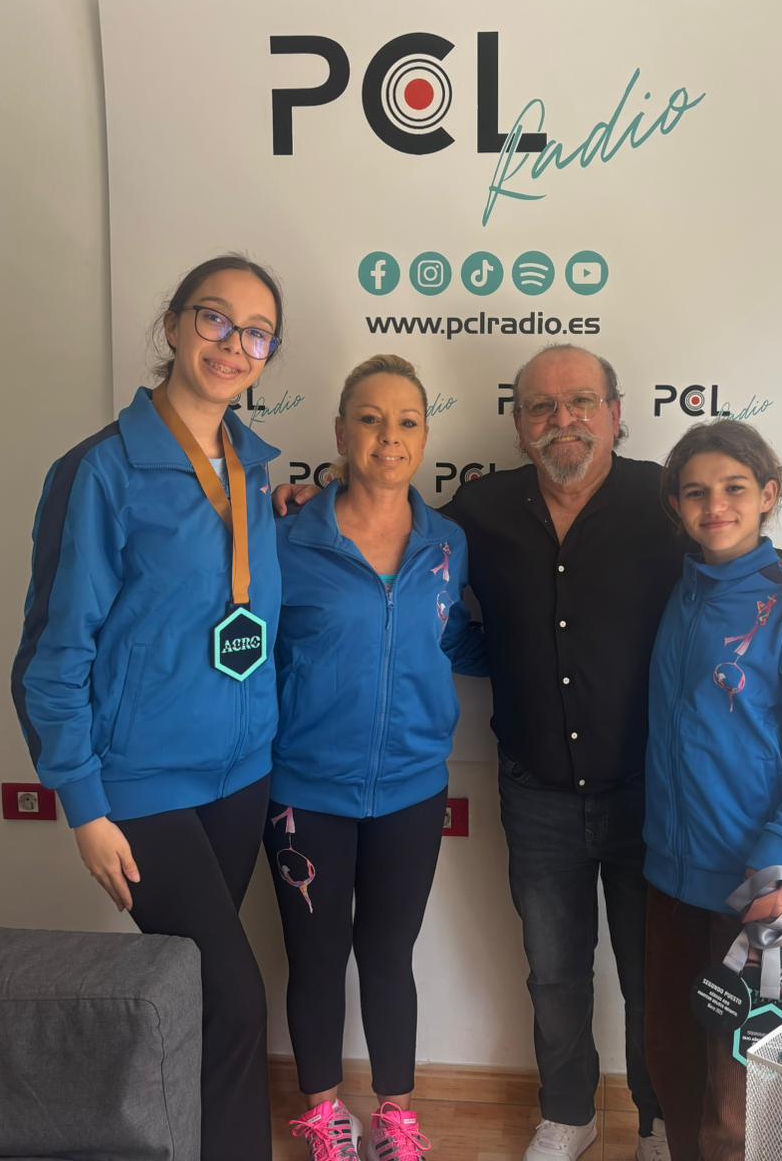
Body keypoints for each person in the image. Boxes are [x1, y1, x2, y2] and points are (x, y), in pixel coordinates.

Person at [278, 344, 782, 1161]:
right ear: (518, 425)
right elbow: (393, 537)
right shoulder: (477, 512)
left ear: (615, 415)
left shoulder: (666, 501)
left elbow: (740, 554)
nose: (563, 421)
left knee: (654, 984)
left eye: (582, 402)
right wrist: (307, 498)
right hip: (536, 788)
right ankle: (569, 1113)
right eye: (542, 407)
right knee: (553, 972)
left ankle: (656, 1123)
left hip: (651, 800)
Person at [11, 253, 286, 1161]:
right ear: (173, 324)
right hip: (141, 786)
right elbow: (51, 658)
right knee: (234, 1001)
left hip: (240, 776)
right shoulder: (100, 471)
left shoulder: (253, 470)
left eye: (256, 333)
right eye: (215, 318)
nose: (233, 344)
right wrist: (84, 807)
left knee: (194, 994)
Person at [269, 355, 487, 1161]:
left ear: (425, 438)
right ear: (340, 432)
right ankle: (325, 1115)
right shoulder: (287, 538)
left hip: (411, 790)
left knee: (389, 956)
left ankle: (396, 1117)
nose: (388, 436)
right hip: (305, 790)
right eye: (369, 418)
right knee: (316, 957)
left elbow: (450, 638)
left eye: (405, 421)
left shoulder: (447, 543)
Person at [643, 420, 782, 1160]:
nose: (716, 506)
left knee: (742, 1105)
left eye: (734, 488)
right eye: (696, 492)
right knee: (673, 1069)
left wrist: (777, 864)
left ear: (769, 495)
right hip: (670, 880)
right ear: (676, 506)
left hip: (754, 892)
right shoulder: (681, 590)